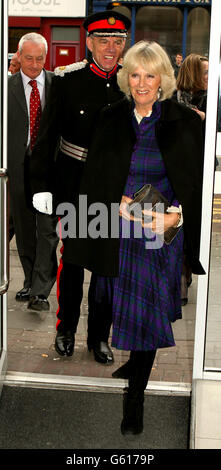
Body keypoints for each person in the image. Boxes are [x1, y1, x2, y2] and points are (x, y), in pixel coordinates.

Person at [68, 40, 205, 435]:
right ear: (126, 77)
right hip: (115, 231)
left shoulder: (185, 120)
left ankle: (136, 398)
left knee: (144, 316)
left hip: (157, 236)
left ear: (163, 78)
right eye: (135, 74)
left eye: (150, 74)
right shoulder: (110, 117)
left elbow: (193, 184)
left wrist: (173, 219)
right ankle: (130, 360)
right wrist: (116, 205)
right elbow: (94, 178)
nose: (142, 82)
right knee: (113, 303)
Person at [29, 11, 131, 361]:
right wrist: (41, 186)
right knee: (72, 263)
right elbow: (46, 137)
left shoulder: (130, 83)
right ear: (89, 42)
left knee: (106, 268)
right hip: (74, 183)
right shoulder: (68, 80)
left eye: (118, 41)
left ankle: (99, 337)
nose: (111, 48)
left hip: (113, 190)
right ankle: (66, 330)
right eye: (103, 40)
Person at [8, 32, 59, 311]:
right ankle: (29, 281)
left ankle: (41, 290)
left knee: (47, 230)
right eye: (29, 58)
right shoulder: (8, 87)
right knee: (26, 230)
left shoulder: (57, 85)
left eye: (40, 58)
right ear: (18, 56)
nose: (35, 64)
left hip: (49, 170)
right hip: (18, 168)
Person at [175, 53, 208, 305]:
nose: (208, 78)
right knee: (175, 225)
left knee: (192, 225)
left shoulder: (210, 100)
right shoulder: (174, 99)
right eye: (204, 73)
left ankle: (185, 273)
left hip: (199, 172)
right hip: (175, 170)